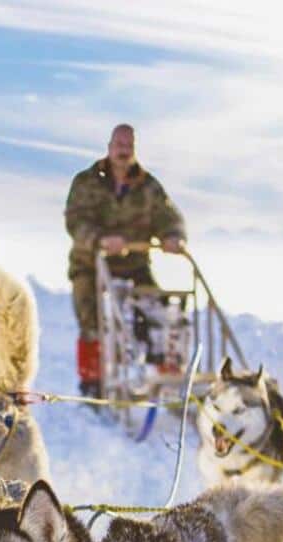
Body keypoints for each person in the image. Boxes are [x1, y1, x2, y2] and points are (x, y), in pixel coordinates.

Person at [64, 123, 187, 398]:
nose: (123, 151)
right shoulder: (86, 182)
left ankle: (163, 372)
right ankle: (92, 383)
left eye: (128, 147)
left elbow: (169, 216)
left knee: (158, 306)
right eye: (119, 145)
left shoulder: (148, 186)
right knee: (90, 317)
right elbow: (75, 220)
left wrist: (173, 236)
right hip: (91, 263)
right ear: (109, 147)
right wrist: (100, 240)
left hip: (134, 263)